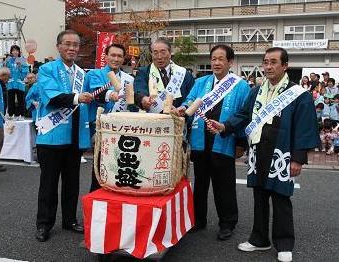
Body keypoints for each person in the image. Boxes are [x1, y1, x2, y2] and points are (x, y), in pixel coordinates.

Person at [208, 47, 319, 262]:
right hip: (258, 151)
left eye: (273, 62)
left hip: (282, 152)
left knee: (281, 198)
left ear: (285, 66)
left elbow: (304, 128)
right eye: (265, 62)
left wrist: (297, 159)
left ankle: (284, 242)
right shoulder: (257, 91)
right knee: (259, 197)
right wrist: (224, 126)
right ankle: (259, 239)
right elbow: (243, 115)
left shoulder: (298, 94)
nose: (268, 67)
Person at [174, 44, 250, 240]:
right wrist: (183, 108)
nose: (216, 62)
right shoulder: (201, 82)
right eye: (213, 59)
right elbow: (189, 100)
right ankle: (198, 220)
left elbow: (243, 115)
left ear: (230, 62)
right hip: (200, 141)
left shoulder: (240, 85)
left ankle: (227, 223)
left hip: (224, 140)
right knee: (199, 184)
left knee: (223, 185)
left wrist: (241, 143)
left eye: (221, 59)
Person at [35, 30, 93, 242]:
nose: (72, 48)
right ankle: (44, 224)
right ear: (58, 46)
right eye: (67, 44)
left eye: (75, 45)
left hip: (74, 136)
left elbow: (91, 98)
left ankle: (69, 220)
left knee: (72, 183)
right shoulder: (46, 69)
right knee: (48, 184)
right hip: (51, 136)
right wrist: (78, 97)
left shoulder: (82, 73)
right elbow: (54, 97)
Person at [85, 43, 134, 192]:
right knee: (100, 165)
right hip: (100, 127)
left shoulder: (128, 79)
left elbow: (131, 103)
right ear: (105, 57)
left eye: (119, 56)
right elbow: (96, 93)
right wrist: (109, 95)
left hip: (121, 128)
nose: (116, 59)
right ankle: (96, 198)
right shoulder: (94, 74)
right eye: (113, 55)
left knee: (118, 165)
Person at [134, 38, 194, 112]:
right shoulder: (143, 72)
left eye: (163, 52)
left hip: (178, 119)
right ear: (151, 54)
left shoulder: (184, 74)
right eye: (155, 53)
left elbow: (192, 96)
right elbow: (139, 90)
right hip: (154, 119)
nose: (159, 57)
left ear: (170, 52)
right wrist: (143, 98)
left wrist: (184, 107)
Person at [5, 45, 29, 117]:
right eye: (13, 50)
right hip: (11, 83)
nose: (15, 52)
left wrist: (20, 67)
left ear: (19, 52)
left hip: (20, 83)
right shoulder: (8, 60)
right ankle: (10, 114)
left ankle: (21, 115)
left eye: (16, 50)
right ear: (11, 52)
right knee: (10, 100)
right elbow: (5, 70)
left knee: (20, 100)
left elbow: (26, 71)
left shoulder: (22, 59)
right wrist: (7, 79)